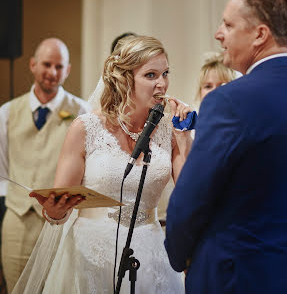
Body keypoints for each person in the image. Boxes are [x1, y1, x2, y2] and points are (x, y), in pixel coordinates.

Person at [164, 0, 287, 294]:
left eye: (228, 24)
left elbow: (191, 199)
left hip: (234, 279)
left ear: (260, 35)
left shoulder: (229, 101)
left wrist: (180, 258)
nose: (219, 33)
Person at [12, 36, 191, 293]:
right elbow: (61, 204)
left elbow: (187, 197)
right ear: (125, 78)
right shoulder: (86, 128)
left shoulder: (170, 131)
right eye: (151, 75)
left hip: (150, 254)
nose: (162, 83)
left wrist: (184, 139)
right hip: (88, 255)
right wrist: (54, 211)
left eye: (165, 73)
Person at [0, 38, 89, 293]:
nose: (52, 72)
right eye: (46, 65)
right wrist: (15, 201)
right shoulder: (7, 112)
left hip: (61, 223)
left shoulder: (82, 111)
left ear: (68, 70)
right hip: (18, 220)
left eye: (59, 67)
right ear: (33, 65)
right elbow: (2, 168)